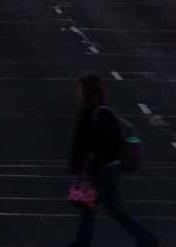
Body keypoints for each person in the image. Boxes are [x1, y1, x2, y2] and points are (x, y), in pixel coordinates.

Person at [67, 75, 156, 247]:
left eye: (80, 88)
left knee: (88, 205)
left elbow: (113, 144)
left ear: (87, 91)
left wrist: (93, 160)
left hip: (104, 169)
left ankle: (82, 243)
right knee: (115, 209)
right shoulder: (92, 110)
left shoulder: (100, 113)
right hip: (105, 167)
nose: (77, 91)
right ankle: (147, 239)